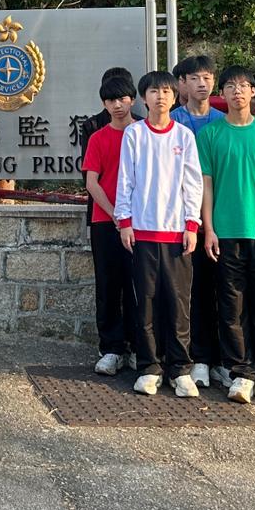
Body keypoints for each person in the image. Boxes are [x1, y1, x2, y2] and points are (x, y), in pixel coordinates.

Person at [199, 65, 255, 408]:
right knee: (231, 306)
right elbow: (205, 185)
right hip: (225, 233)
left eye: (243, 86)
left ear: (254, 93)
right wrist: (209, 228)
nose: (237, 91)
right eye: (230, 86)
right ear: (221, 93)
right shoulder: (209, 134)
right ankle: (241, 372)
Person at [114, 69, 203, 397]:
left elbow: (193, 183)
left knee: (179, 303)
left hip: (177, 233)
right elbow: (125, 179)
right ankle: (149, 367)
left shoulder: (184, 136)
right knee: (146, 304)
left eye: (166, 91)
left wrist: (192, 224)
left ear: (174, 96)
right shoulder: (134, 134)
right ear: (144, 98)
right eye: (153, 91)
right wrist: (125, 221)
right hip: (142, 232)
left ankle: (180, 368)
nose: (160, 97)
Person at [172, 54, 224, 387]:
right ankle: (198, 358)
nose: (202, 83)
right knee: (192, 292)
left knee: (224, 293)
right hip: (184, 223)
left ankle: (221, 360)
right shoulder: (172, 122)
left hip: (222, 221)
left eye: (207, 77)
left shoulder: (223, 121)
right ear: (182, 83)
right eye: (194, 78)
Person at [83, 72, 139, 375]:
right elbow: (91, 182)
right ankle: (111, 348)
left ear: (132, 99)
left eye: (122, 98)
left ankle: (137, 346)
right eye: (110, 100)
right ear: (104, 104)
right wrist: (117, 214)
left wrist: (129, 215)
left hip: (140, 223)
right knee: (108, 284)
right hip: (105, 221)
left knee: (137, 285)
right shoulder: (98, 137)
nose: (117, 105)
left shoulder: (144, 133)